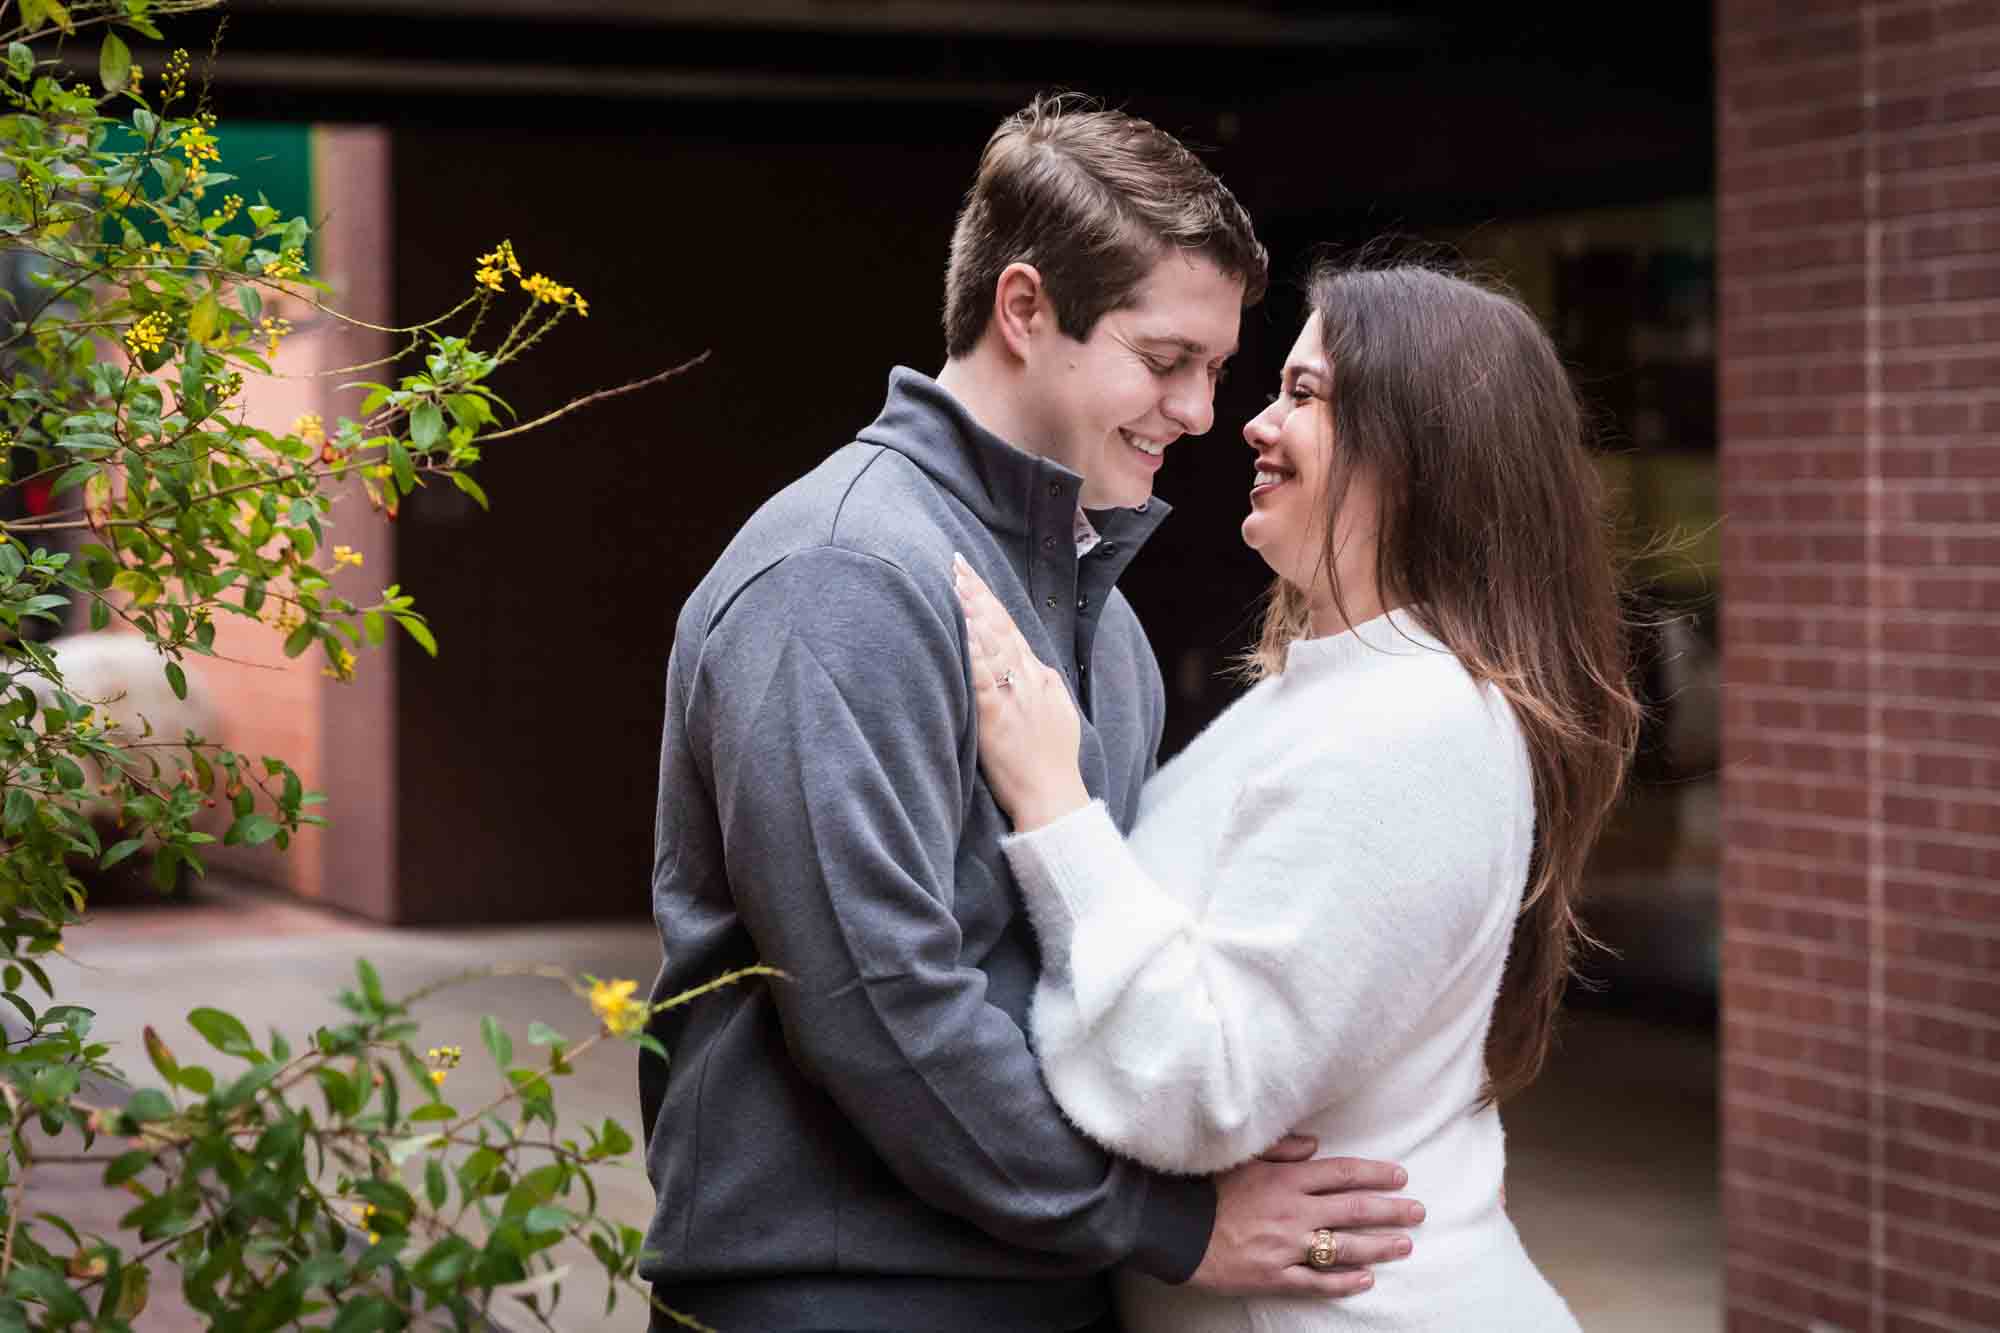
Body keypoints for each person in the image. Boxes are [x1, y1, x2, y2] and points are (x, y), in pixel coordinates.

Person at [638, 99, 1424, 1333]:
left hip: (1032, 1280)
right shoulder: (843, 572)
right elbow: (876, 1001)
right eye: (1164, 361)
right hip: (846, 1294)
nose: (1200, 412)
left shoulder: (1097, 619)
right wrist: (1172, 1224)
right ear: (1022, 310)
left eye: (1216, 369)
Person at [952, 262, 1642, 1332]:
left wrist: (1051, 800)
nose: (1253, 424)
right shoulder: (1335, 692)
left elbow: (1198, 1084)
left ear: (1419, 454)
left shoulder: (1412, 728)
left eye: (1306, 395)